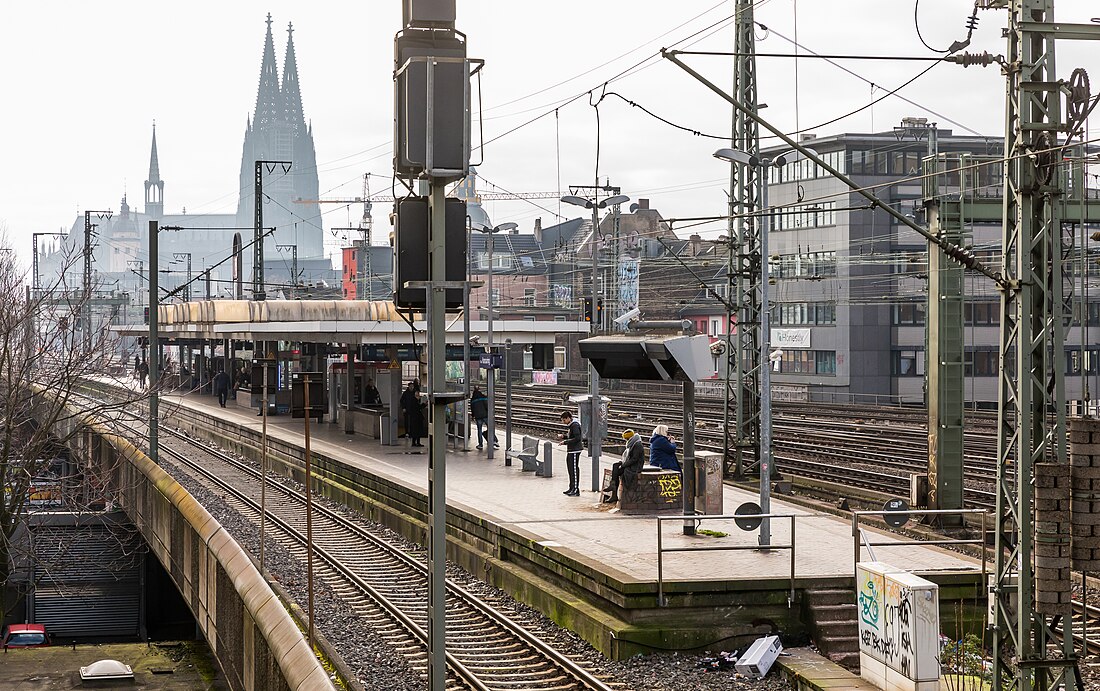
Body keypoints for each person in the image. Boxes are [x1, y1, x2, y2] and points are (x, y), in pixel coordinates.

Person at [603, 429, 645, 503]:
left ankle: (613, 491)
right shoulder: (633, 443)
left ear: (630, 438)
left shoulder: (637, 445)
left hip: (635, 467)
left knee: (617, 471)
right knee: (615, 466)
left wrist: (624, 465)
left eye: (626, 439)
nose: (626, 440)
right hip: (630, 464)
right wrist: (622, 463)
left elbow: (635, 459)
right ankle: (613, 488)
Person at [558, 411, 583, 496]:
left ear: (568, 418)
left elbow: (577, 438)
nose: (563, 422)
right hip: (571, 450)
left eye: (564, 420)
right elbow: (572, 437)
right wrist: (564, 437)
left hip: (575, 450)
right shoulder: (571, 426)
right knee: (571, 469)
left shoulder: (575, 425)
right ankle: (571, 488)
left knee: (574, 470)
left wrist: (565, 442)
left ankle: (575, 490)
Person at [469, 386, 498, 450]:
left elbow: (472, 409)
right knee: (490, 428)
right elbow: (487, 406)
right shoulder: (483, 397)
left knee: (479, 430)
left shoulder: (473, 399)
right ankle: (493, 441)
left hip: (478, 417)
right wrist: (490, 413)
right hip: (485, 416)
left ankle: (480, 444)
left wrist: (473, 416)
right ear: (479, 390)